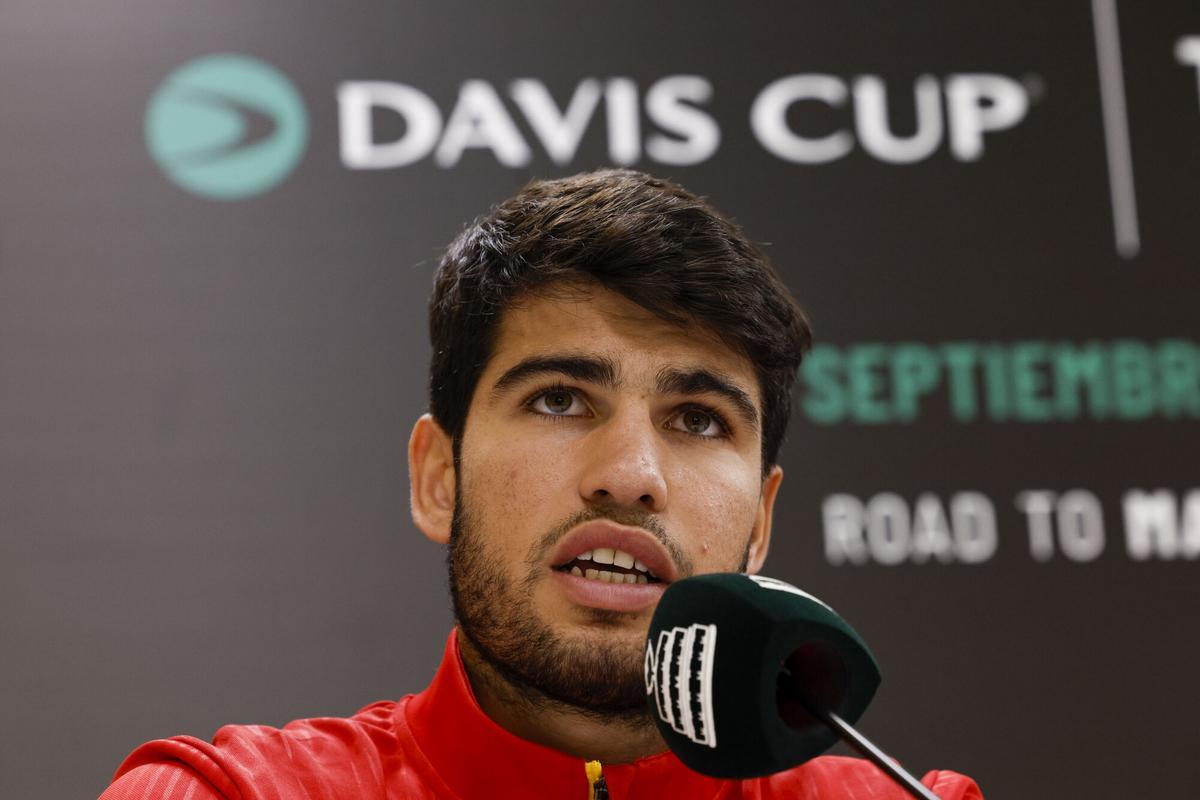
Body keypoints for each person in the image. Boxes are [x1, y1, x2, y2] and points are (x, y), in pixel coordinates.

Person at [100, 170, 982, 799]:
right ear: (438, 477)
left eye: (699, 419)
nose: (630, 478)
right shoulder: (227, 794)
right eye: (561, 399)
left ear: (760, 525)